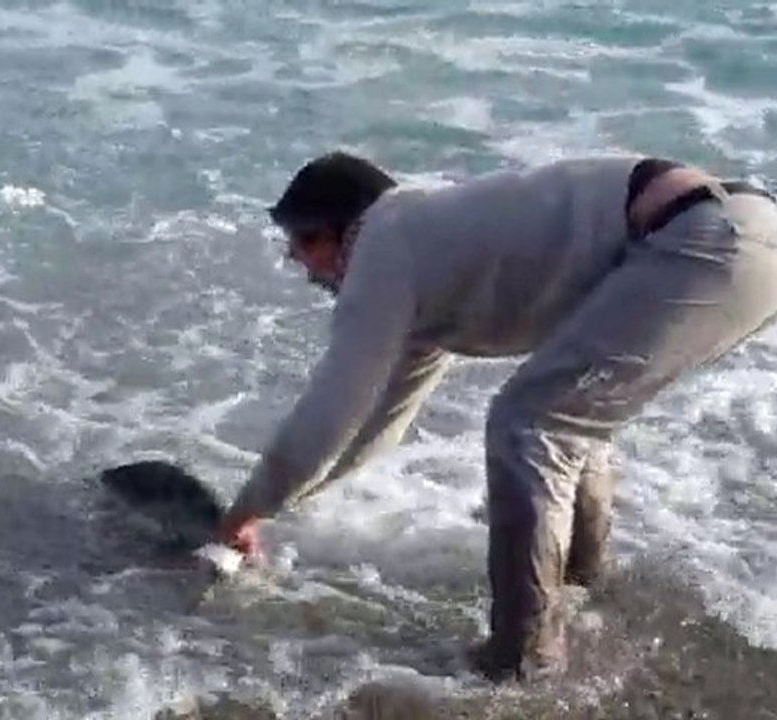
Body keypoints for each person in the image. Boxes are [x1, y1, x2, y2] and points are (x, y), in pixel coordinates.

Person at [214, 151, 777, 681]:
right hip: (741, 232)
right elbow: (373, 426)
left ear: (344, 229)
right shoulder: (427, 254)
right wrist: (264, 510)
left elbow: (331, 408)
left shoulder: (382, 240)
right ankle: (582, 591)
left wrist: (238, 513)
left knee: (531, 421)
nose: (298, 261)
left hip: (705, 236)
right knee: (568, 417)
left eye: (303, 240)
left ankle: (521, 660)